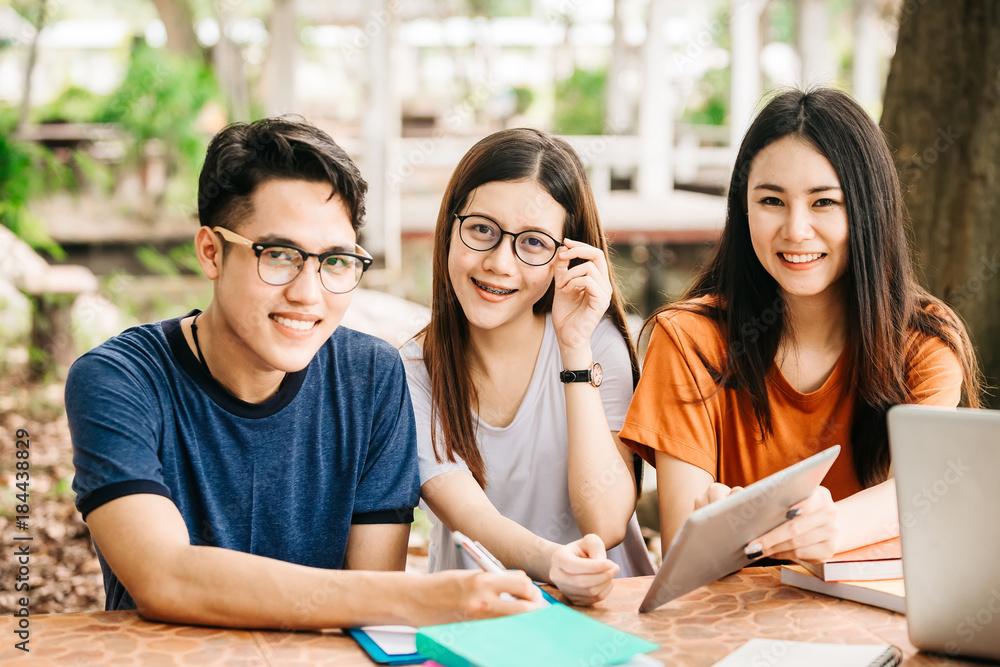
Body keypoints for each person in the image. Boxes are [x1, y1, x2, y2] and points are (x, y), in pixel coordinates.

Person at [65, 117, 542, 630]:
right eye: (280, 255)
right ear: (211, 252)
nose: (308, 294)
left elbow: (370, 603)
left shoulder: (371, 379)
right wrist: (421, 597)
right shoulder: (119, 381)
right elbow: (165, 577)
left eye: (335, 261)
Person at [619, 88, 982, 564]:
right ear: (742, 207)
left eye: (824, 202)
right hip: (732, 622)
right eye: (771, 200)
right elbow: (686, 543)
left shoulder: (924, 343)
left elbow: (915, 496)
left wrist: (822, 527)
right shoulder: (688, 340)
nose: (795, 229)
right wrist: (729, 525)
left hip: (874, 619)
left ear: (868, 210)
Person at [401, 128, 654, 606]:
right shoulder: (413, 371)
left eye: (533, 243)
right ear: (449, 228)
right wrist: (555, 563)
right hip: (482, 625)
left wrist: (574, 346)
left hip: (611, 617)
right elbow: (475, 520)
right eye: (481, 229)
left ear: (568, 256)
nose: (499, 262)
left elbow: (604, 522)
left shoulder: (598, 344)